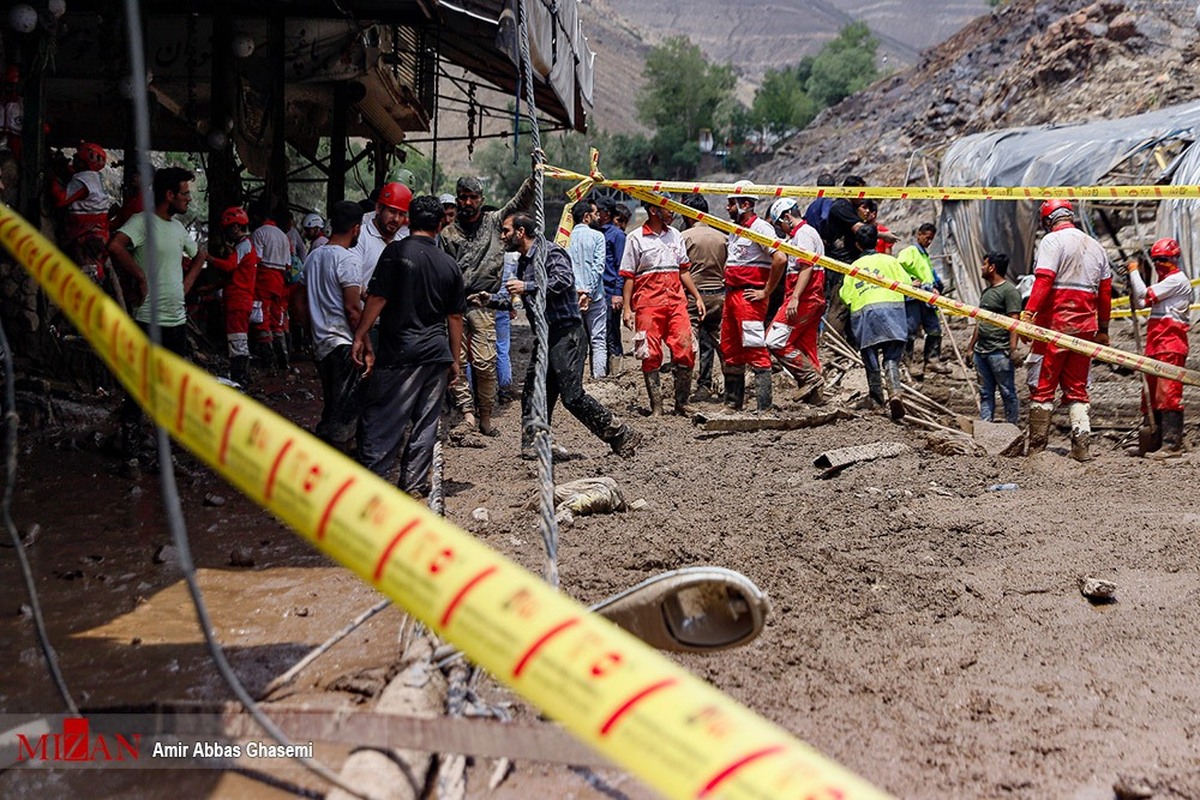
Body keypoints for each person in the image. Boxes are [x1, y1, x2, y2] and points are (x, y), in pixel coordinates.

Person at [501, 211, 641, 460]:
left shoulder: (551, 253)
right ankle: (537, 443)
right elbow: (519, 298)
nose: (503, 236)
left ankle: (620, 434)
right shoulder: (525, 261)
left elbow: (563, 281)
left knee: (572, 396)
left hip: (567, 335)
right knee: (535, 391)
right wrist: (489, 300)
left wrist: (528, 286)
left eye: (506, 231)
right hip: (547, 336)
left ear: (520, 232)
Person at [352, 196, 464, 497]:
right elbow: (455, 317)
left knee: (384, 419)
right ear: (440, 224)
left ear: (407, 221)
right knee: (427, 423)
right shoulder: (449, 264)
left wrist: (360, 334)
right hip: (436, 354)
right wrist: (454, 359)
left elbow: (377, 298)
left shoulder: (396, 252)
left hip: (401, 352)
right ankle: (413, 485)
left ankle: (372, 487)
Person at [107, 165, 206, 464]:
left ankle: (163, 451)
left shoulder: (178, 229)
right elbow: (115, 246)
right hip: (148, 319)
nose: (188, 199)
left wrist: (186, 285)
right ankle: (131, 455)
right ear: (169, 195)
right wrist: (139, 276)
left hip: (176, 321)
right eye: (185, 194)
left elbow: (200, 254)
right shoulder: (142, 222)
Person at [441, 171, 537, 437]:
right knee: (456, 362)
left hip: (484, 304)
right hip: (456, 306)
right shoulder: (448, 234)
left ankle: (485, 417)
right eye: (463, 197)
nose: (468, 202)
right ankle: (467, 414)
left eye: (473, 197)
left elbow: (520, 203)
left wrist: (532, 177)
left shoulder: (494, 223)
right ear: (458, 200)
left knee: (485, 363)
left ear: (481, 199)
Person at [1020, 198, 1112, 462]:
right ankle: (1081, 449)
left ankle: (1037, 449)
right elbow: (1104, 292)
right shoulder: (1096, 246)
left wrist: (1029, 314)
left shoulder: (1052, 241)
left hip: (1055, 323)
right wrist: (1103, 328)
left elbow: (1045, 279)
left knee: (1042, 385)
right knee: (1077, 388)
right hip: (1085, 326)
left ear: (1047, 220)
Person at [621, 198, 704, 416]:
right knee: (649, 352)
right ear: (654, 210)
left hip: (676, 303)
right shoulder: (635, 238)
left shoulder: (676, 235)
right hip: (648, 303)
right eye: (669, 208)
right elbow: (629, 276)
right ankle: (656, 406)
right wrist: (627, 308)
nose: (674, 212)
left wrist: (697, 296)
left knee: (686, 348)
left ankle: (681, 403)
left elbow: (683, 270)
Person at [299, 201, 367, 450]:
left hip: (321, 343)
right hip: (342, 343)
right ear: (356, 228)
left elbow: (299, 301)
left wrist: (308, 330)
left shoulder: (314, 256)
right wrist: (365, 343)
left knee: (331, 401)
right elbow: (352, 309)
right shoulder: (347, 260)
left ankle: (325, 449)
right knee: (345, 409)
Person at [722, 180, 787, 411]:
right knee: (731, 348)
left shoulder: (761, 228)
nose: (727, 208)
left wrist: (766, 291)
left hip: (749, 296)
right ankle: (732, 404)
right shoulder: (735, 230)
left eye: (731, 204)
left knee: (754, 347)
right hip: (732, 295)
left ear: (746, 204)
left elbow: (780, 258)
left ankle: (764, 406)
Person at [1127, 237, 1191, 458]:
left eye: (1163, 260)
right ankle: (1153, 441)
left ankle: (1171, 444)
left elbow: (1145, 294)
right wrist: (1132, 284)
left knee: (1168, 393)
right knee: (1150, 394)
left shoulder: (1177, 280)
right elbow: (1142, 302)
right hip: (1155, 342)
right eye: (1156, 260)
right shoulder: (1163, 284)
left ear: (1174, 259)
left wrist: (1134, 271)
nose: (1159, 264)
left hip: (1171, 344)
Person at [840, 225, 909, 420]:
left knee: (870, 358)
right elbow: (906, 284)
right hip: (892, 313)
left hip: (865, 315)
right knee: (892, 357)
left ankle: (877, 401)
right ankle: (895, 393)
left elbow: (845, 295)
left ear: (858, 245)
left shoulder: (852, 268)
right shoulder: (891, 261)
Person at [766, 198, 826, 404]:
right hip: (811, 299)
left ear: (786, 217)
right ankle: (816, 397)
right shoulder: (802, 236)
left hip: (805, 299)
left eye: (779, 224)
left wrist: (795, 298)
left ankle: (810, 378)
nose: (780, 228)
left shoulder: (803, 234)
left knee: (774, 340)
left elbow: (806, 266)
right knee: (805, 346)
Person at [679, 193, 727, 399]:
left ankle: (687, 391)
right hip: (719, 295)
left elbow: (679, 270)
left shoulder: (684, 237)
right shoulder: (723, 236)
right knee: (723, 344)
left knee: (689, 343)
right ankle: (733, 389)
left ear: (689, 214)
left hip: (693, 297)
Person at [206, 206, 259, 387]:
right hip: (241, 298)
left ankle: (240, 377)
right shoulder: (245, 245)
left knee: (237, 339)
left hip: (238, 299)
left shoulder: (243, 245)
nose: (228, 233)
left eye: (229, 228)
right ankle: (242, 375)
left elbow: (229, 266)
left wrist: (208, 258)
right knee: (240, 338)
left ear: (236, 227)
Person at [968, 252, 1021, 425]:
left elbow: (1015, 322)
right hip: (981, 351)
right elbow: (980, 321)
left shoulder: (1009, 291)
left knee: (1007, 392)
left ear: (992, 267)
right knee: (985, 392)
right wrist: (971, 347)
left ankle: (1012, 428)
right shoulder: (987, 292)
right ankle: (986, 426)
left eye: (984, 264)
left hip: (999, 352)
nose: (982, 268)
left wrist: (1013, 349)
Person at [49, 142, 113, 283]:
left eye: (77, 157)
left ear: (84, 163)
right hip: (99, 228)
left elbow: (61, 199)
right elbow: (72, 170)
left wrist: (51, 177)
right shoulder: (95, 176)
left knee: (87, 270)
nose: (74, 158)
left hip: (85, 231)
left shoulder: (84, 179)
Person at [897, 222, 947, 377]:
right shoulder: (910, 251)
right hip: (914, 297)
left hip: (927, 298)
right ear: (919, 234)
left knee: (935, 330)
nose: (929, 241)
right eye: (927, 238)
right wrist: (910, 281)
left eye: (931, 239)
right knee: (910, 331)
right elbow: (899, 268)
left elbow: (929, 274)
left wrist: (936, 285)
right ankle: (908, 363)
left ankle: (932, 361)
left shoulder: (924, 255)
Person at [820, 175, 868, 340]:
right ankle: (830, 343)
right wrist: (882, 234)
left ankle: (846, 343)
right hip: (841, 264)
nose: (862, 197)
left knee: (847, 304)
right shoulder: (841, 206)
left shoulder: (844, 207)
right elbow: (860, 230)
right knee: (839, 305)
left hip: (845, 262)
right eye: (860, 192)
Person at [567, 199, 608, 378]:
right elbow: (598, 268)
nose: (597, 216)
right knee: (598, 340)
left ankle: (575, 380)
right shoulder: (598, 237)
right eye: (594, 214)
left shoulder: (564, 239)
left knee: (574, 341)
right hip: (595, 297)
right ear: (586, 217)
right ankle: (598, 380)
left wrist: (579, 292)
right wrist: (589, 293)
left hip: (571, 297)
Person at [250, 205, 294, 371]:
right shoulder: (284, 237)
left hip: (264, 279)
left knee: (262, 319)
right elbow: (289, 264)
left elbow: (257, 259)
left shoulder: (259, 233)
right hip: (280, 281)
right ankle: (283, 359)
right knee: (278, 320)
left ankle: (268, 363)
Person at [597, 198, 628, 375]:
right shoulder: (595, 233)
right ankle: (601, 370)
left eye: (598, 211)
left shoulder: (617, 236)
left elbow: (621, 267)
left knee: (611, 331)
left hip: (610, 291)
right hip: (597, 291)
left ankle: (616, 370)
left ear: (606, 214)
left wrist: (618, 293)